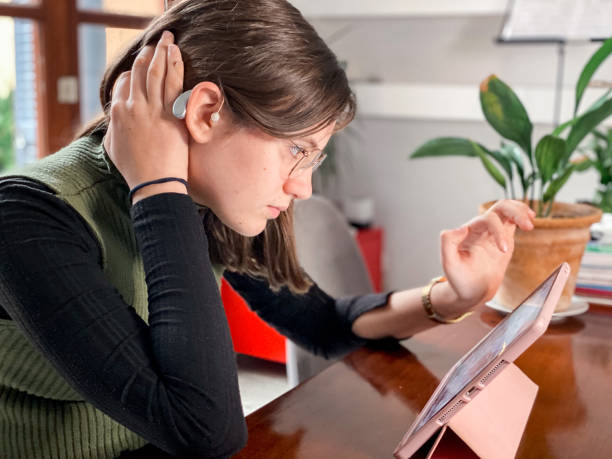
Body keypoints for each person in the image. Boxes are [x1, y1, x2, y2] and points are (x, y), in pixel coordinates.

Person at [0, 1, 536, 457]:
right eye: (297, 150)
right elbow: (205, 429)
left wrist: (450, 297)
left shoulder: (199, 201)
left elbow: (322, 323)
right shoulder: (26, 218)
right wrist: (159, 186)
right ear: (206, 111)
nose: (302, 187)